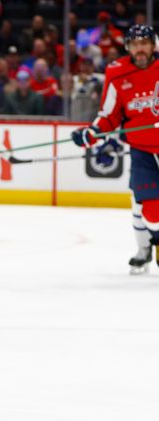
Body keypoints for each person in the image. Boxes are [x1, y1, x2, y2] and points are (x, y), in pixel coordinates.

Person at [71, 25, 159, 274]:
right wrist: (91, 134)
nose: (139, 49)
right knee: (151, 213)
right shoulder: (117, 72)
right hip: (142, 150)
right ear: (128, 48)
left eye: (144, 43)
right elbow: (109, 115)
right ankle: (151, 244)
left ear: (154, 45)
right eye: (134, 44)